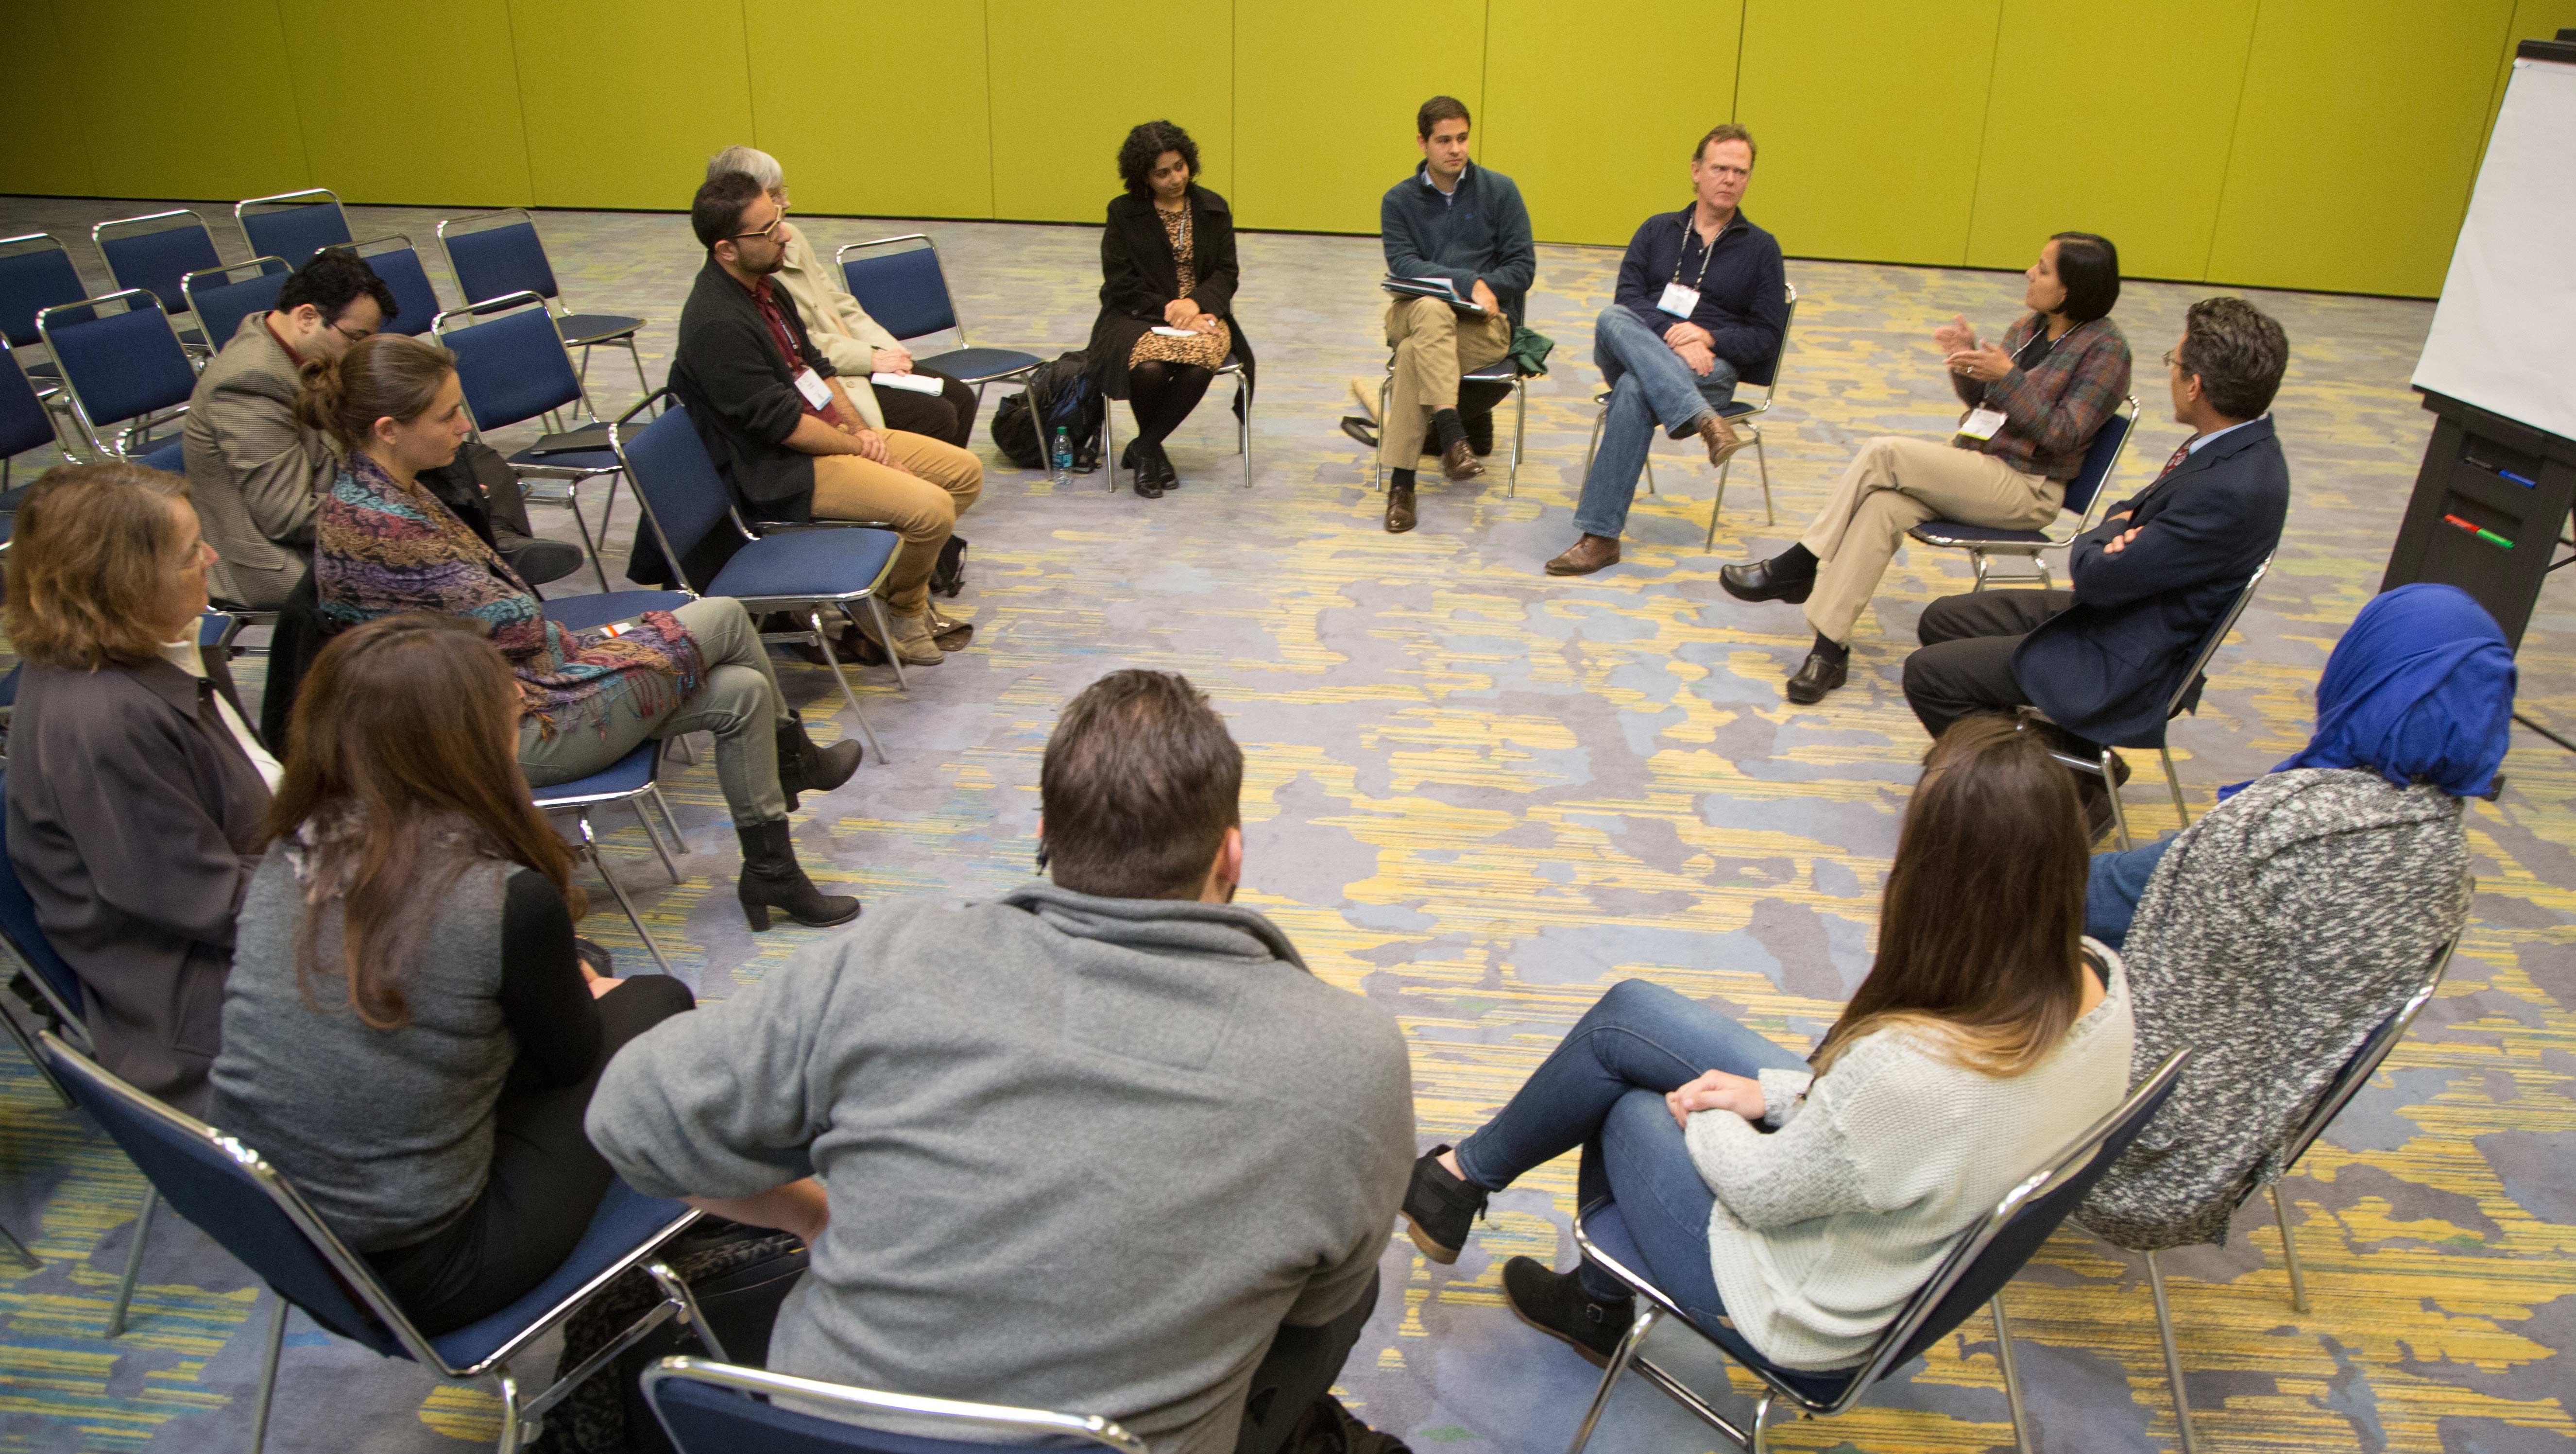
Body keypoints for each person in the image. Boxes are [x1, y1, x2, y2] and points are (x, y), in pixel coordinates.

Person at [587, 671, 1416, 1454]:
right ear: (1231, 857)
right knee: (1347, 1297)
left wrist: (810, 1212)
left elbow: (631, 1124)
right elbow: (1317, 1300)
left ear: (1044, 839)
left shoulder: (888, 959)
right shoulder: (1351, 1058)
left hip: (824, 1433)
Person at [1400, 716, 2134, 1373]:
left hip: (1799, 1303)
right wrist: (1771, 1093)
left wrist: (1707, 1109)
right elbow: (1883, 1129)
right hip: (1895, 1200)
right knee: (1628, 1018)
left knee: (1627, 1100)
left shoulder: (1910, 1068)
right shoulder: (2100, 978)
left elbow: (1761, 1190)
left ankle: (1588, 1302)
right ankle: (1457, 1178)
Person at [205, 614, 696, 1334]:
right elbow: (571, 1060)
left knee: (577, 981)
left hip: (285, 1232)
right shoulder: (498, 896)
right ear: (466, 745)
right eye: (511, 719)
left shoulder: (289, 846)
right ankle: (714, 1240)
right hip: (433, 1267)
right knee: (658, 1002)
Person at [303, 333, 862, 930]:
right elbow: (513, 627)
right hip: (490, 735)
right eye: (448, 415)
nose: (465, 426)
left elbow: (496, 627)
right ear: (388, 429)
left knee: (743, 694)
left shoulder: (392, 489)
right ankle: (793, 760)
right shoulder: (378, 524)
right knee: (723, 615)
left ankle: (772, 873)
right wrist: (532, 643)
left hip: (517, 687)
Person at [2076, 584, 2504, 1251]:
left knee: (1983, 911)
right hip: (2240, 1148)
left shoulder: (2287, 826)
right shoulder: (2442, 857)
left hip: (2122, 1148)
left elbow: (2089, 899)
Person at [1899, 297, 2291, 838]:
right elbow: (2124, 513)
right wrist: (2118, 527)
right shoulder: (2235, 448)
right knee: (1941, 620)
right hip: (2131, 610)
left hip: (2131, 652)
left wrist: (2108, 534)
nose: (2170, 374)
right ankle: (2076, 764)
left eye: (2173, 365)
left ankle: (2037, 796)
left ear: (2195, 386)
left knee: (1929, 678)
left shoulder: (2229, 487)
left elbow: (2094, 575)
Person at [1721, 234, 2131, 703]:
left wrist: (2008, 378)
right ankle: (1828, 649)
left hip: (2028, 488)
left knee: (1883, 454)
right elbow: (1986, 402)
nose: (2028, 274)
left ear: (2069, 289)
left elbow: (2063, 433)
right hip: (1980, 467)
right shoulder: (2031, 326)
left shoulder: (2106, 351)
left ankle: (1797, 564)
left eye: (2041, 268)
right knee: (1881, 505)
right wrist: (1966, 362)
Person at [1, 463, 275, 1113]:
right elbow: (207, 902)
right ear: (120, 585)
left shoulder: (151, 652)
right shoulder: (104, 724)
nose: (210, 557)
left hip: (258, 905)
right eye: (189, 554)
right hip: (206, 1006)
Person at [671, 171, 982, 669]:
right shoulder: (716, 324)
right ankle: (904, 609)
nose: (783, 234)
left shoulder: (766, 287)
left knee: (963, 475)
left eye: (777, 221)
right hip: (777, 467)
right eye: (766, 230)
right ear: (726, 249)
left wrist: (859, 431)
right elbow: (781, 426)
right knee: (931, 510)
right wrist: (859, 449)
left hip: (828, 435)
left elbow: (815, 368)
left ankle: (878, 596)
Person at [182, 250, 573, 608]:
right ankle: (490, 565)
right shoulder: (249, 383)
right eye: (355, 339)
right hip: (281, 561)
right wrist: (415, 513)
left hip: (339, 492)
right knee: (445, 550)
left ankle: (495, 547)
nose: (357, 352)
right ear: (306, 318)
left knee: (473, 458)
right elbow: (287, 515)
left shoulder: (299, 348)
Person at [1546, 125, 1786, 577]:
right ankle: (1703, 420)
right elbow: (1628, 298)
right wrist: (1674, 334)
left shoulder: (1761, 250)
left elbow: (1765, 337)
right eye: (1719, 168)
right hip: (1644, 349)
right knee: (1609, 319)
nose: (1729, 179)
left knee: (1636, 391)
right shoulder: (1657, 230)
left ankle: (1599, 538)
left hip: (1708, 368)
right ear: (1696, 171)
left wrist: (1708, 338)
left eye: (1740, 171)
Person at [705, 146, 982, 449]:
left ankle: (939, 492)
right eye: (774, 196)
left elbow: (841, 305)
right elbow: (797, 348)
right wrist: (871, 358)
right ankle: (907, 489)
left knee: (961, 397)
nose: (787, 202)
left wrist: (889, 350)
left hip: (853, 358)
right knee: (936, 414)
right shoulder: (746, 268)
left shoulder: (791, 237)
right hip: (828, 375)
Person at [1375, 95, 1536, 534]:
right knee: (1429, 310)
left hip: (1480, 327)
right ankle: (1452, 434)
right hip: (1413, 311)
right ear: (1422, 143)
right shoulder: (1398, 201)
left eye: (1462, 138)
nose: (1456, 149)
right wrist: (1468, 281)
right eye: (1444, 140)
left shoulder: (1500, 192)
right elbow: (1404, 265)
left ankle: (1402, 485)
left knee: (1413, 354)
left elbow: (1523, 268)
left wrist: (1484, 291)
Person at [1085, 120, 1254, 499]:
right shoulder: (1123, 213)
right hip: (1136, 313)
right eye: (1161, 173)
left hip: (1205, 311)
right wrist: (1173, 310)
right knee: (1148, 369)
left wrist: (1196, 304)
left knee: (1198, 366)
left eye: (1179, 167)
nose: (1174, 179)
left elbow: (1227, 272)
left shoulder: (1212, 208)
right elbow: (1119, 281)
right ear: (1143, 176)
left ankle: (1143, 449)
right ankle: (1152, 451)